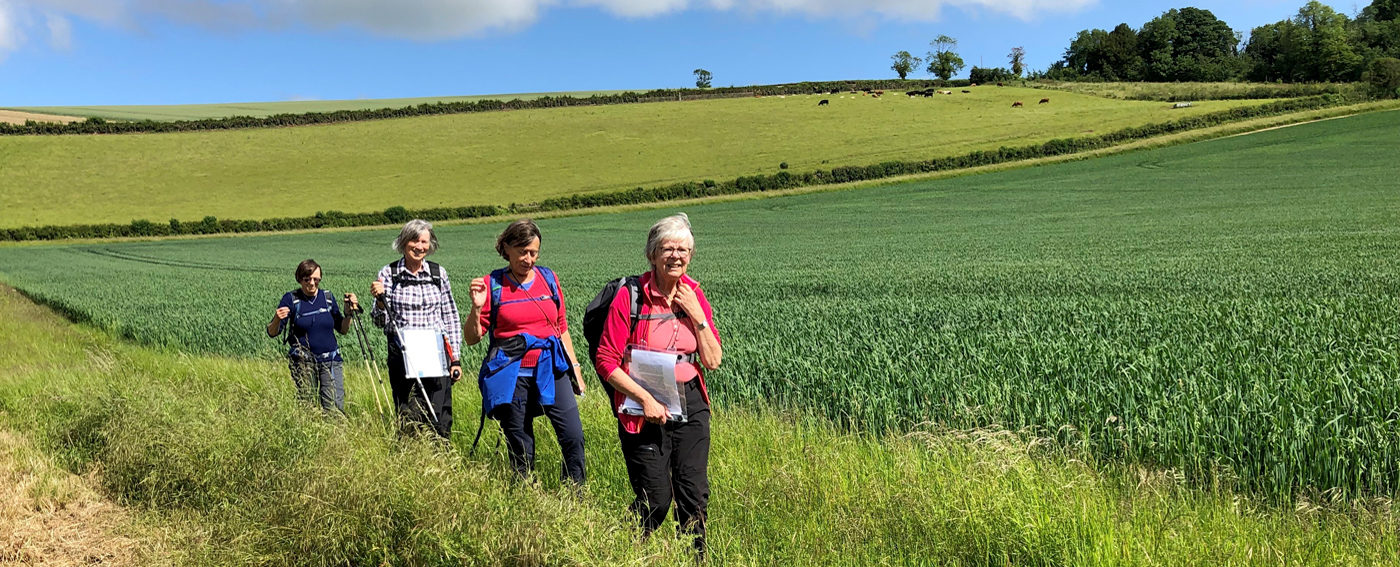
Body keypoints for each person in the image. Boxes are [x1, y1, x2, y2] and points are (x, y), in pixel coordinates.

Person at [593, 213, 722, 556]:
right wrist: (645, 399)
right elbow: (606, 360)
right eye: (668, 249)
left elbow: (712, 360)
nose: (676, 256)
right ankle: (624, 551)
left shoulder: (694, 294)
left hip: (690, 402)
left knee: (694, 494)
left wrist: (697, 316)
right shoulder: (631, 296)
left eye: (683, 250)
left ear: (691, 255)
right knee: (656, 500)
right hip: (642, 407)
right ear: (652, 254)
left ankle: (694, 559)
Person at [466, 219, 587, 483]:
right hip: (512, 373)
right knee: (520, 443)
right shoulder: (492, 284)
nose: (528, 259)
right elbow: (472, 339)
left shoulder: (548, 279)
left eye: (534, 253)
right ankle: (525, 493)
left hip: (552, 368)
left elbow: (561, 328)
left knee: (573, 436)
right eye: (522, 252)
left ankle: (575, 494)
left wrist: (576, 369)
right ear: (506, 248)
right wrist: (476, 308)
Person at [370, 219, 463, 439]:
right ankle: (409, 450)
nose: (419, 247)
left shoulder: (438, 273)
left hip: (435, 350)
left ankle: (441, 450)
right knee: (406, 409)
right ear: (403, 242)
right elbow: (379, 321)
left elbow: (450, 315)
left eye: (424, 242)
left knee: (440, 411)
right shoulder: (389, 273)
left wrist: (455, 358)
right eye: (414, 241)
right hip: (403, 351)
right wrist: (380, 301)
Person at [266, 259, 359, 414]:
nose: (312, 283)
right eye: (307, 279)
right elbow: (272, 332)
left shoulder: (327, 297)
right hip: (303, 363)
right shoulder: (291, 299)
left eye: (316, 279)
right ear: (299, 279)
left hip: (330, 360)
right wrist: (277, 319)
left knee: (334, 409)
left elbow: (342, 329)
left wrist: (349, 314)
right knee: (308, 408)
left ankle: (335, 430)